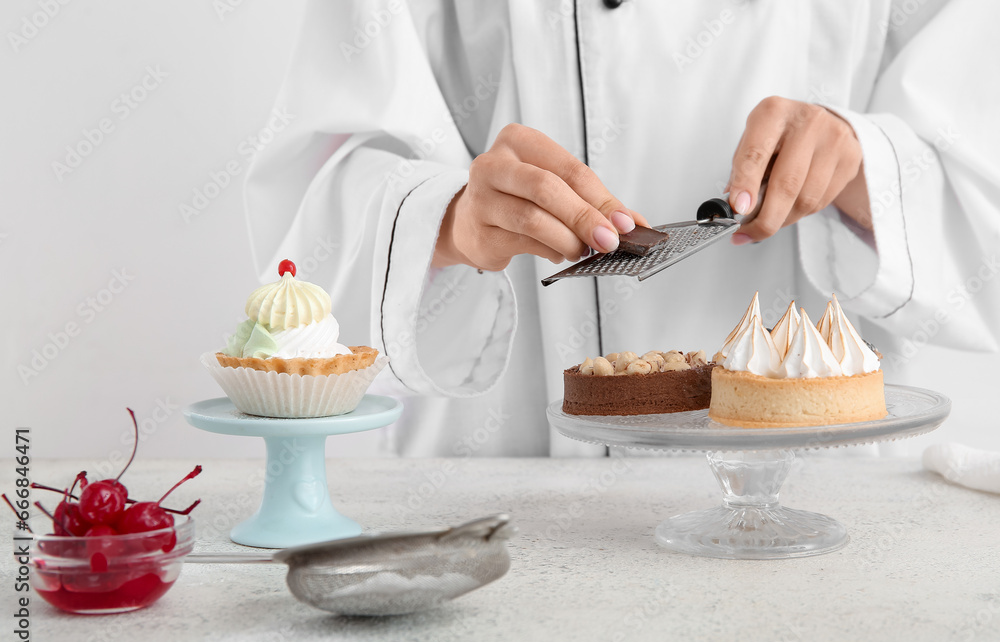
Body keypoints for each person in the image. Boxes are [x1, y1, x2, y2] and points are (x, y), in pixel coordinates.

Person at [245, 0, 1000, 456]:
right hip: (509, 490)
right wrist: (445, 223)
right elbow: (307, 224)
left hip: (825, 494)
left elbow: (981, 192)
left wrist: (866, 165)